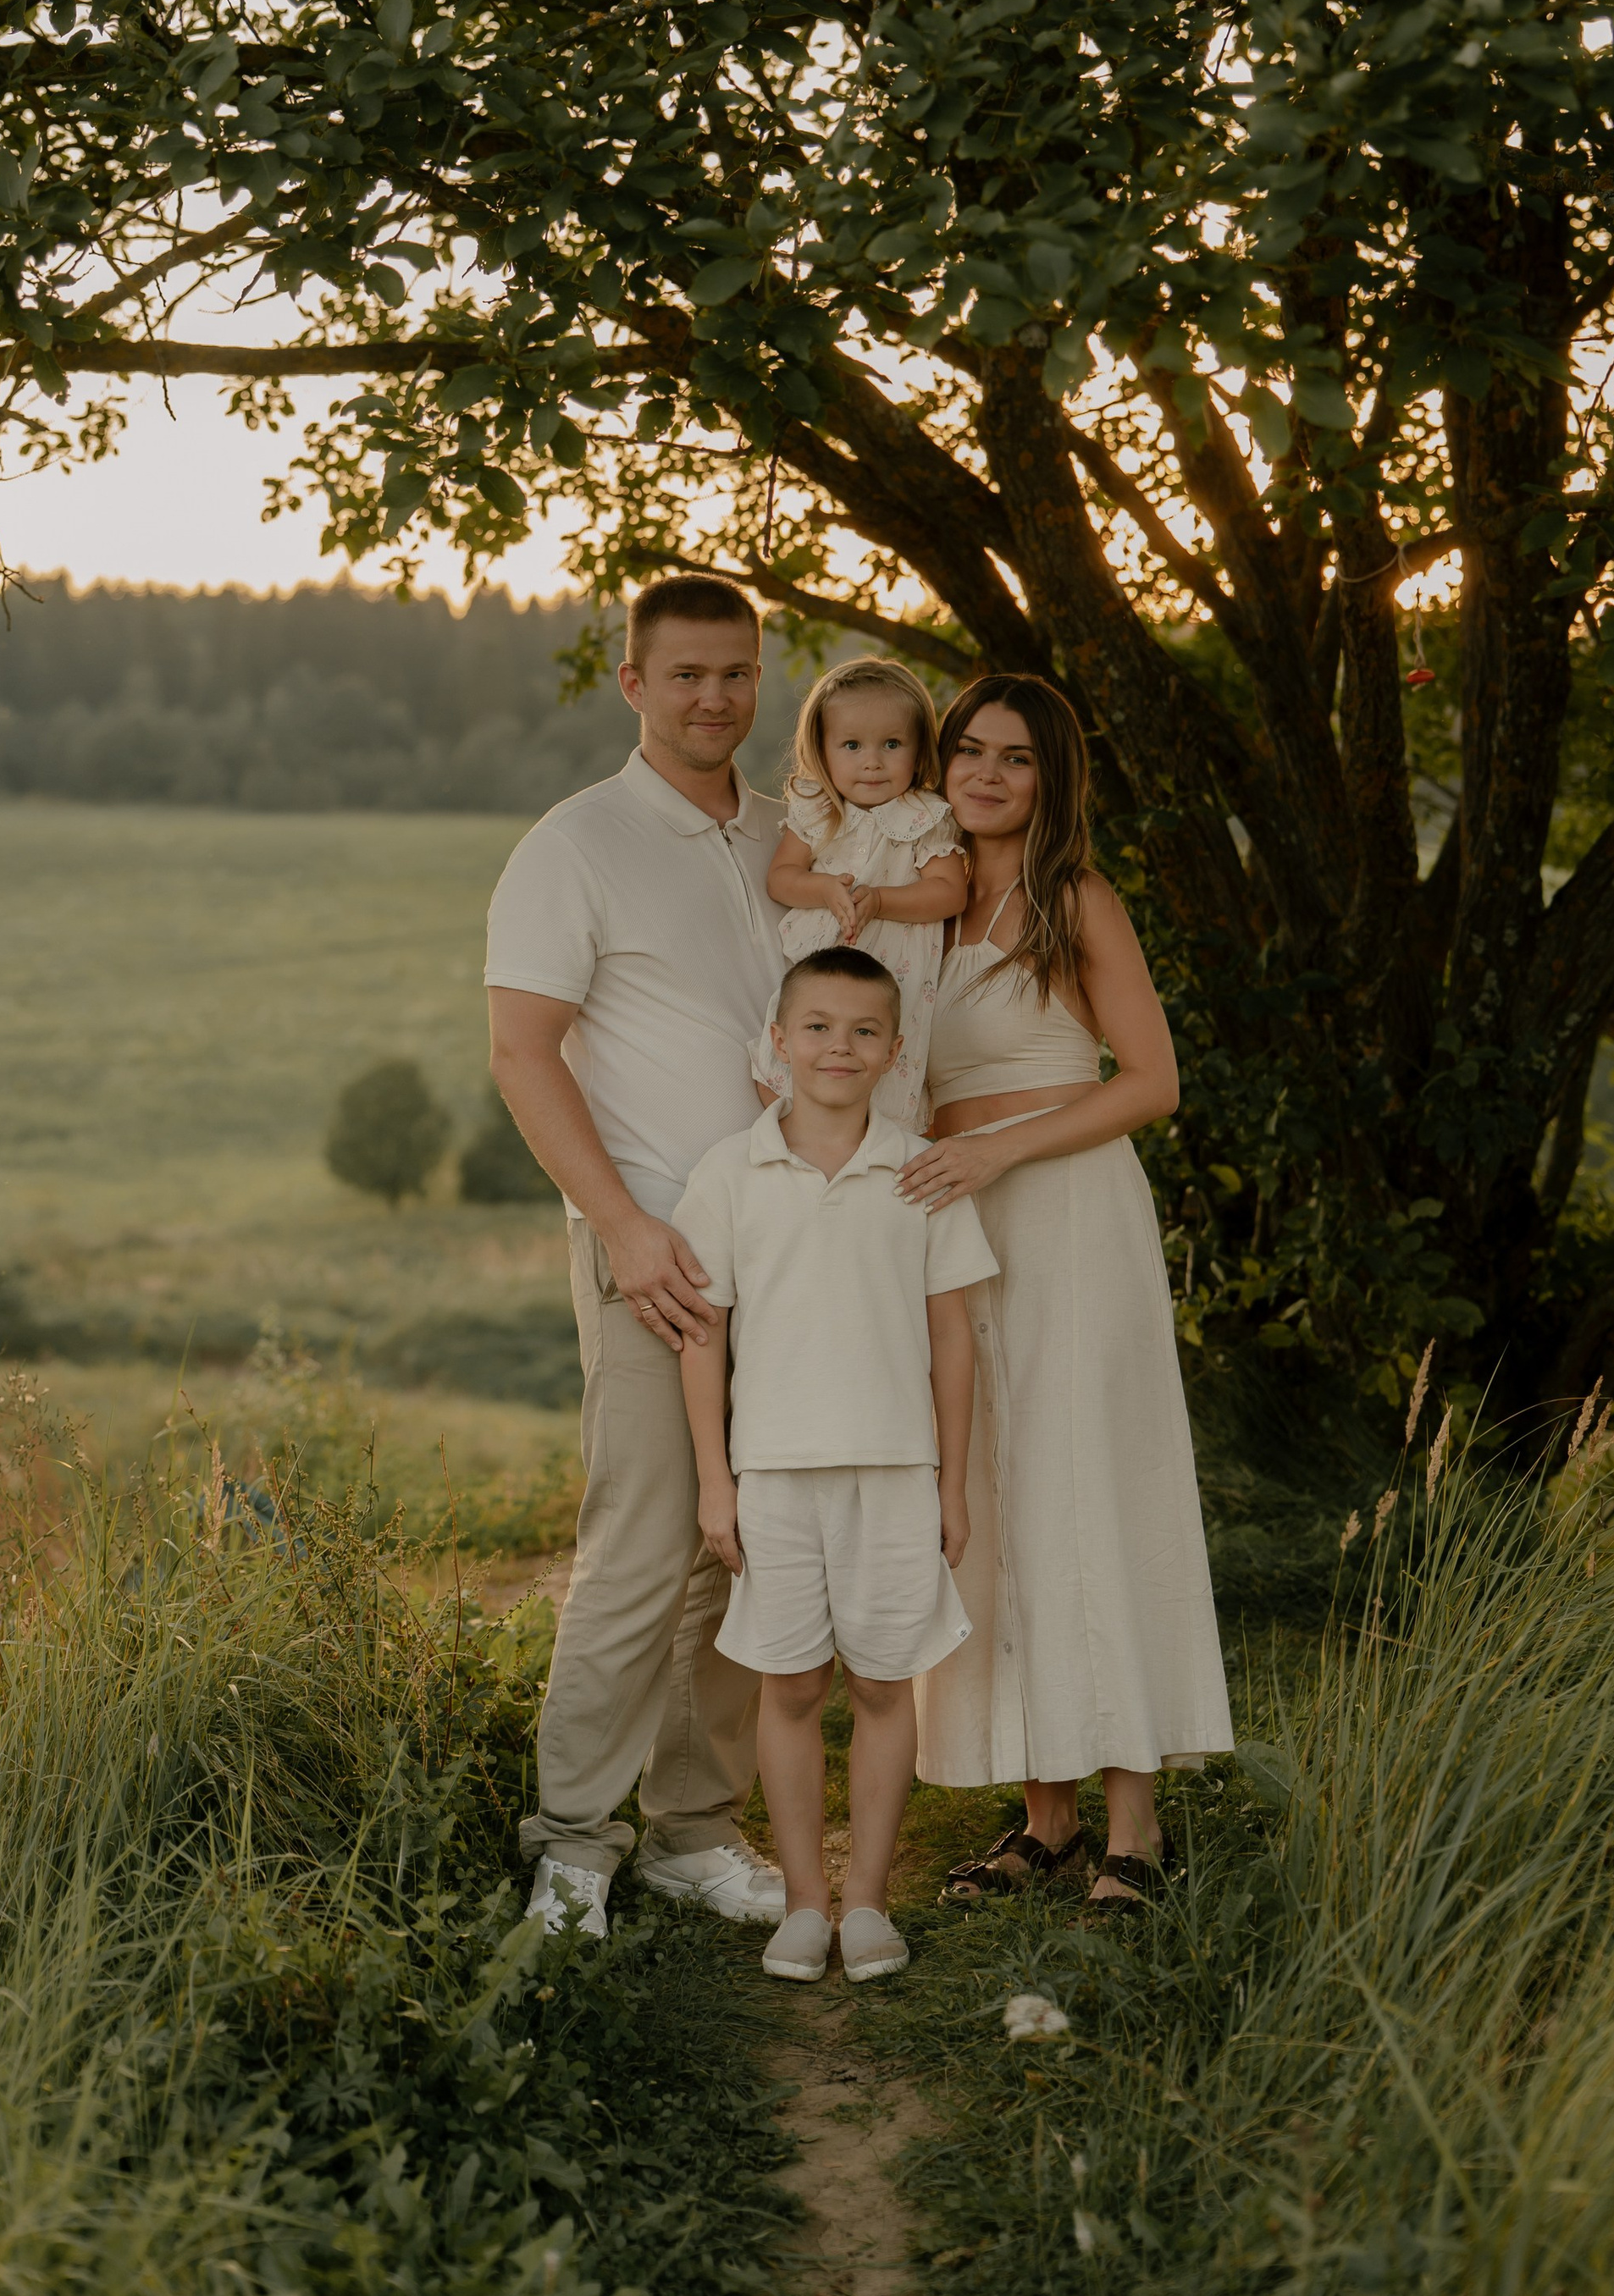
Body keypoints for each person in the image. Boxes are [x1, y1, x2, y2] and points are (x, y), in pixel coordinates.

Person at [484, 575, 787, 1939]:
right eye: (685, 675)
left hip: (786, 1255)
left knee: (743, 1551)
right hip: (654, 1252)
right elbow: (520, 1052)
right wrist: (621, 1224)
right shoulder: (577, 843)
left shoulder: (788, 839)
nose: (713, 697)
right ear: (633, 684)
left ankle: (692, 1830)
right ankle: (572, 1846)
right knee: (642, 1547)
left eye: (734, 673)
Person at [901, 674, 1233, 1907]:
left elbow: (1152, 1082)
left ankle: (1134, 1826)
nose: (987, 774)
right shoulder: (924, 912)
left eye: (1018, 759)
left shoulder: (1072, 898)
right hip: (952, 1222)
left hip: (1071, 1212)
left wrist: (999, 1147)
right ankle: (1041, 1815)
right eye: (970, 751)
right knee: (988, 1487)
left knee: (1088, 1480)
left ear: (1054, 780)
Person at [677, 945, 993, 1981]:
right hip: (771, 1473)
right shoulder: (728, 1173)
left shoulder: (920, 1172)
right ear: (777, 1041)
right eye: (816, 1026)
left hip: (896, 1473)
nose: (837, 1048)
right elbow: (702, 1338)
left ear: (895, 1051)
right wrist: (715, 1481)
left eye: (863, 1031)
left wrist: (951, 1483)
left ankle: (867, 1905)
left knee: (885, 1686)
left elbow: (954, 1340)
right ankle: (803, 1906)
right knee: (793, 1685)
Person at [752, 659, 968, 1129]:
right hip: (822, 964)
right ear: (823, 750)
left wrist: (883, 900)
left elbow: (949, 893)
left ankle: (877, 1154)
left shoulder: (926, 816)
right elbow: (782, 879)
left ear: (918, 750)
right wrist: (825, 887)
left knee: (883, 1060)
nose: (872, 761)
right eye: (852, 745)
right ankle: (794, 1149)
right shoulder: (818, 809)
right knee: (793, 1059)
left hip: (897, 968)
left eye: (892, 744)